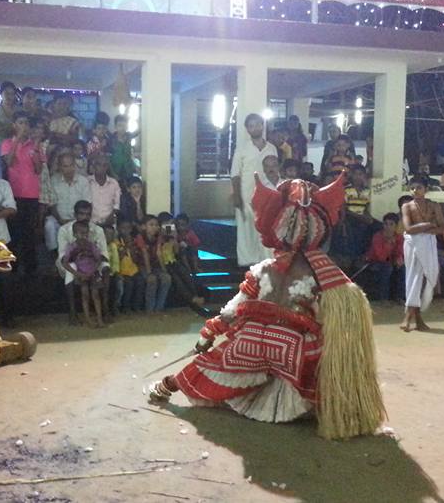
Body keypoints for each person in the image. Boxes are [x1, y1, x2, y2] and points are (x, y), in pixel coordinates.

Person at [147, 174, 386, 440]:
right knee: (322, 350)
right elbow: (336, 327)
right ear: (319, 229)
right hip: (299, 354)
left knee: (218, 355)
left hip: (254, 346)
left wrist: (209, 334)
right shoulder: (329, 278)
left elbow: (231, 311)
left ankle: (167, 385)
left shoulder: (264, 271)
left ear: (276, 228)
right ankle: (336, 409)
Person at [2, 112, 46, 276]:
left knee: (29, 232)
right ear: (14, 125)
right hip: (13, 194)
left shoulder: (34, 145)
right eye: (20, 122)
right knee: (14, 232)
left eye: (26, 123)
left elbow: (38, 169)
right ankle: (13, 266)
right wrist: (16, 141)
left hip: (32, 195)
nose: (24, 126)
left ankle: (30, 269)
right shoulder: (7, 143)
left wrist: (35, 148)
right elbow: (9, 162)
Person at [231, 113, 277, 266]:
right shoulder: (242, 148)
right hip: (246, 193)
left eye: (257, 124)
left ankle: (265, 260)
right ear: (247, 129)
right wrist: (237, 195)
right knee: (247, 227)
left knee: (265, 226)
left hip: (267, 193)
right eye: (251, 126)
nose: (255, 128)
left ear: (262, 125)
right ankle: (247, 262)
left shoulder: (272, 148)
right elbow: (235, 174)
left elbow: (275, 171)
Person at [400, 179, 444, 332]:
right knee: (413, 278)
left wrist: (427, 230)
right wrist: (427, 225)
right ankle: (409, 317)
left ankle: (417, 318)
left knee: (427, 278)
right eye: (412, 188)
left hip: (429, 243)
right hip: (413, 244)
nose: (415, 191)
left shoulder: (434, 206)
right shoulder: (407, 206)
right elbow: (408, 229)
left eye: (418, 187)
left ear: (426, 189)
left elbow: (441, 227)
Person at [56, 201, 110, 324]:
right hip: (72, 262)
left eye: (88, 214)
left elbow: (103, 253)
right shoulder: (64, 230)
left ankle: (106, 310)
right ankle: (72, 312)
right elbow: (63, 257)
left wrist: (93, 266)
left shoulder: (97, 230)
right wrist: (80, 270)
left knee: (106, 267)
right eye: (82, 214)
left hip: (93, 262)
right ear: (75, 214)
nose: (85, 217)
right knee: (72, 267)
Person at [42, 152, 91, 256]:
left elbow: (86, 204)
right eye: (65, 166)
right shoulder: (53, 180)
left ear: (75, 165)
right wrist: (60, 219)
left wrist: (77, 220)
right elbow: (52, 204)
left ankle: (79, 255)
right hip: (58, 218)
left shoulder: (83, 181)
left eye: (71, 165)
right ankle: (54, 255)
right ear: (59, 167)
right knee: (49, 225)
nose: (69, 169)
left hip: (79, 219)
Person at [61, 221, 105, 328]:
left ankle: (99, 319)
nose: (84, 236)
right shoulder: (71, 247)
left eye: (86, 233)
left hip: (92, 273)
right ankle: (88, 320)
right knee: (85, 296)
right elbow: (65, 263)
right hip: (82, 274)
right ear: (75, 234)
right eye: (81, 233)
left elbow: (98, 259)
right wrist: (77, 274)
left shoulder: (92, 245)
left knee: (96, 295)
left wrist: (93, 271)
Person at [361, 213, 404, 302]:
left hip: (390, 261)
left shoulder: (399, 237)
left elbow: (400, 252)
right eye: (386, 224)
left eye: (391, 224)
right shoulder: (377, 236)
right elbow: (380, 256)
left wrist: (399, 259)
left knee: (403, 268)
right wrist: (388, 243)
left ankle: (400, 297)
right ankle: (383, 297)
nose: (388, 227)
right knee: (387, 268)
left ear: (396, 226)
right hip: (373, 261)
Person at [135, 215, 172, 312]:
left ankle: (159, 307)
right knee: (152, 280)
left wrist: (164, 270)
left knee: (166, 278)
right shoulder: (140, 237)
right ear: (144, 227)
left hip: (155, 265)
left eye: (156, 225)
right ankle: (149, 308)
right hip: (142, 265)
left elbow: (159, 253)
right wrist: (148, 272)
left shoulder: (159, 237)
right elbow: (145, 253)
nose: (154, 227)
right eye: (151, 225)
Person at [109, 218, 142, 312]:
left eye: (128, 228)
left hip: (133, 270)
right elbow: (116, 259)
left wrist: (132, 248)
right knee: (129, 283)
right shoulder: (115, 242)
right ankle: (125, 307)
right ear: (118, 229)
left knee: (140, 281)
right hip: (121, 271)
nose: (126, 230)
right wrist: (125, 247)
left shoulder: (134, 241)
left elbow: (136, 259)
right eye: (123, 228)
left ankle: (137, 306)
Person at [89, 154, 121, 228]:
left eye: (105, 165)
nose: (102, 168)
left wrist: (111, 216)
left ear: (107, 167)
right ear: (94, 166)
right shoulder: (87, 182)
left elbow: (117, 204)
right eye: (98, 164)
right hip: (91, 223)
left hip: (109, 222)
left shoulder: (114, 183)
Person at [109, 114, 137, 183]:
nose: (122, 128)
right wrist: (113, 174)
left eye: (124, 126)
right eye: (120, 125)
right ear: (115, 127)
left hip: (128, 171)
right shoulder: (111, 139)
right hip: (115, 172)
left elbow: (138, 131)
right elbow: (108, 159)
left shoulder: (129, 136)